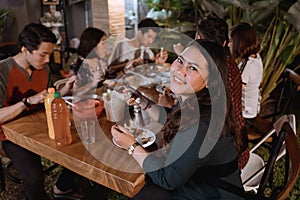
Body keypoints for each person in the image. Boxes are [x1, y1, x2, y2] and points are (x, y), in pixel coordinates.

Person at [111, 39, 245, 199]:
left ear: (210, 81)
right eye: (180, 61)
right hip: (196, 182)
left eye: (193, 68)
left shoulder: (202, 122)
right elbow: (172, 117)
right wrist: (143, 102)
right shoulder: (197, 102)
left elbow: (168, 178)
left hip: (211, 193)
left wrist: (132, 147)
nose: (180, 71)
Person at [0, 23, 75, 200]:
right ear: (25, 50)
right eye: (43, 54)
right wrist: (26, 102)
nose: (48, 60)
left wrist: (66, 89)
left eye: (49, 54)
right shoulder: (2, 71)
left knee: (77, 150)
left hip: (38, 124)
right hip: (9, 134)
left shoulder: (44, 68)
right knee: (34, 177)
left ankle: (64, 187)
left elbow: (46, 97)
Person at [195, 15, 248, 169]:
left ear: (198, 38)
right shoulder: (230, 63)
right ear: (225, 43)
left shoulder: (216, 74)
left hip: (228, 157)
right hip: (239, 141)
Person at [229, 23, 263, 128]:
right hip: (252, 110)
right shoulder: (255, 58)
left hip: (244, 116)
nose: (229, 45)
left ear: (239, 43)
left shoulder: (247, 67)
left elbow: (234, 92)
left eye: (231, 41)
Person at [70, 27, 109, 97]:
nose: (106, 47)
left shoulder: (102, 62)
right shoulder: (78, 65)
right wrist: (93, 84)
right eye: (103, 43)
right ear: (93, 45)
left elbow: (106, 82)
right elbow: (74, 93)